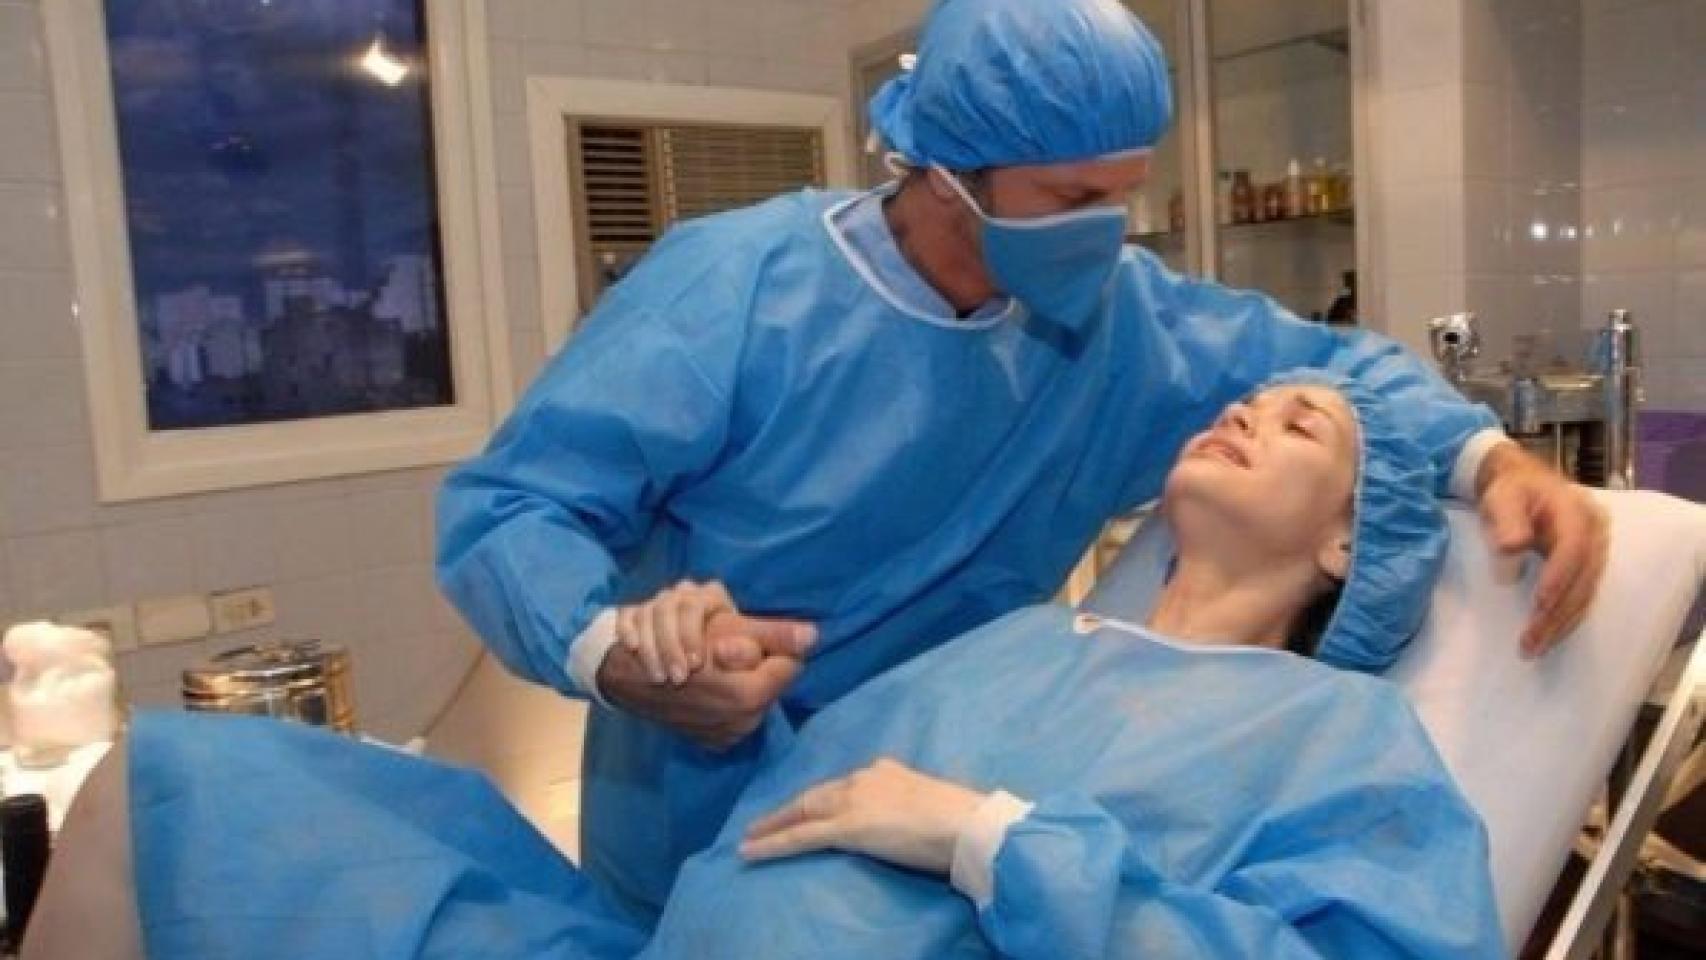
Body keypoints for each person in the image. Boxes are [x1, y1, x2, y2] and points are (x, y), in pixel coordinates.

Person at [435, 0, 1607, 920]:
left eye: (1125, 193)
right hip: (698, 798)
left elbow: (1325, 369)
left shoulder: (1124, 326)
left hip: (962, 783)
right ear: (946, 170)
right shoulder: (735, 290)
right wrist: (611, 654)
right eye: (1071, 197)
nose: (1109, 229)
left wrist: (1492, 460)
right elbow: (511, 511)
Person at [32, 373, 1500, 959]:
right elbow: (773, 825)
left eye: (1301, 426)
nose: (1247, 410)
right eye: (1245, 398)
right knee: (146, 787)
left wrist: (989, 842)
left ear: (1346, 555)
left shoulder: (1342, 742)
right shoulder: (1011, 644)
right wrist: (716, 703)